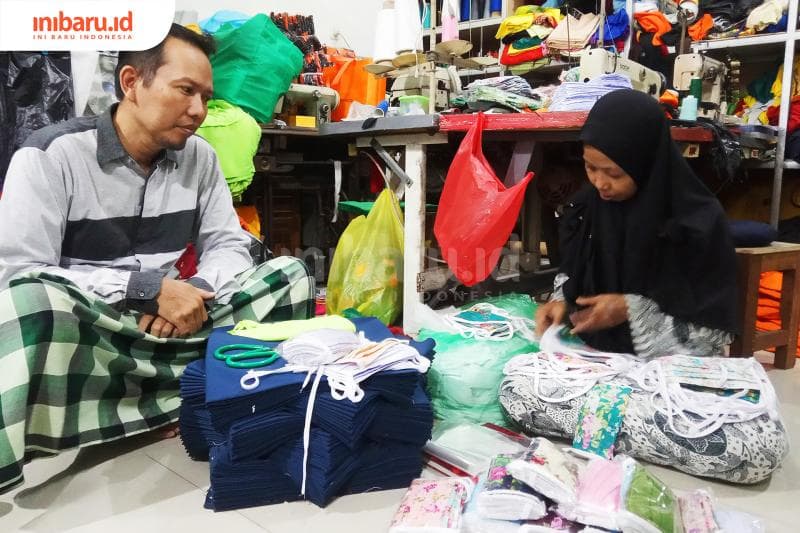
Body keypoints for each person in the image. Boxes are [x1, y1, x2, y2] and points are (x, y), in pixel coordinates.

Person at [0, 24, 314, 493]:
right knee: (27, 305)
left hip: (175, 325)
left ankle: (193, 400)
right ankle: (185, 395)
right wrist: (144, 291)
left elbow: (228, 245)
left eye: (206, 97)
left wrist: (196, 293)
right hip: (96, 331)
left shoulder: (200, 158)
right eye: (185, 91)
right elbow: (19, 271)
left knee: (290, 276)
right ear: (131, 83)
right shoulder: (51, 155)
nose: (198, 111)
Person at [534, 89, 738, 357]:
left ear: (646, 163)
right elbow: (575, 269)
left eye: (613, 173)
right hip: (593, 355)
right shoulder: (589, 206)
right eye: (590, 167)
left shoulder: (696, 222)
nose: (599, 183)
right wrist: (562, 301)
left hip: (668, 366)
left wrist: (631, 310)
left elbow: (712, 333)